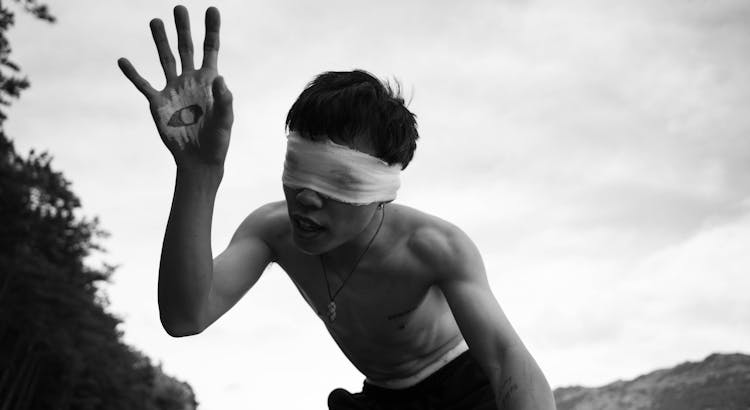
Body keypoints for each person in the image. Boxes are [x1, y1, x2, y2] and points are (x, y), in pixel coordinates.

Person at [118, 5, 556, 410]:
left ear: (382, 190)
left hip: (466, 390)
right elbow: (185, 317)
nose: (307, 197)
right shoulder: (273, 231)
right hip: (381, 395)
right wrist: (199, 173)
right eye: (298, 168)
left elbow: (504, 357)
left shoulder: (434, 247)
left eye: (339, 180)